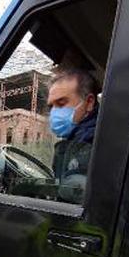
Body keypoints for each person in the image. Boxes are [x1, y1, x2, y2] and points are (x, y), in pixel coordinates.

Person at [47, 67, 100, 203]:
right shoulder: (75, 140)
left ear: (89, 102)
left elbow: (71, 196)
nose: (53, 113)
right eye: (51, 107)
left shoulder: (92, 143)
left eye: (61, 103)